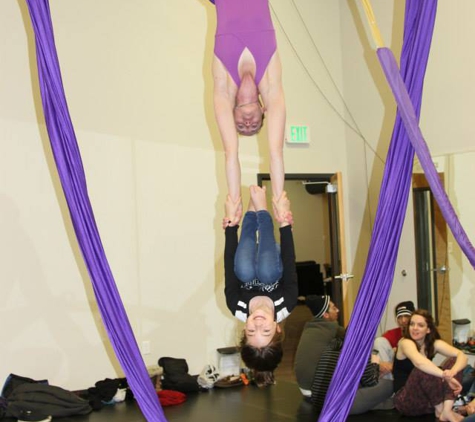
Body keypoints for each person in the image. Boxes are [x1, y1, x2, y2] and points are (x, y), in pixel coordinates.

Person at [211, 0, 286, 222]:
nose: (247, 123)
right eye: (254, 125)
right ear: (264, 110)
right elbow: (276, 152)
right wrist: (279, 203)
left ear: (232, 113)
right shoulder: (271, 86)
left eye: (241, 126)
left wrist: (234, 205)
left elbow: (230, 153)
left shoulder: (223, 90)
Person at [224, 185, 297, 387]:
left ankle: (252, 208)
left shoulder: (236, 306)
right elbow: (289, 262)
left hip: (245, 256)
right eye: (265, 332)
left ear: (243, 331)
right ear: (277, 329)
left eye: (250, 332)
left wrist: (231, 226)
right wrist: (284, 224)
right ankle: (261, 208)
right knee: (267, 274)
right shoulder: (287, 304)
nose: (257, 325)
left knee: (243, 272)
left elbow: (229, 266)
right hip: (270, 257)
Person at [393, 309, 468, 422]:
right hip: (406, 401)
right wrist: (445, 375)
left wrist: (452, 372)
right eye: (412, 324)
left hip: (428, 402)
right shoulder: (405, 342)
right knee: (424, 368)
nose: (415, 328)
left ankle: (446, 411)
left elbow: (462, 355)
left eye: (420, 325)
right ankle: (440, 410)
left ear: (428, 329)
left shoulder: (433, 344)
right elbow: (419, 362)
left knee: (454, 360)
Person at [310, 337, 394, 415]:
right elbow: (372, 383)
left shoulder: (333, 345)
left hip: (319, 403)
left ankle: (380, 404)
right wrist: (375, 363)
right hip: (338, 406)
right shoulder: (361, 351)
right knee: (389, 385)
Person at [294, 295, 345, 397]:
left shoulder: (309, 327)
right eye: (334, 308)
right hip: (317, 389)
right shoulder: (332, 327)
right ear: (326, 315)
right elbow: (355, 338)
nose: (338, 310)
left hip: (303, 387)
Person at [373, 300, 415, 379]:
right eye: (400, 317)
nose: (403, 320)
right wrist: (379, 363)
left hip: (409, 369)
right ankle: (388, 382)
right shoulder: (392, 334)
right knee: (379, 341)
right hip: (392, 374)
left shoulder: (417, 333)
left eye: (406, 316)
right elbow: (375, 352)